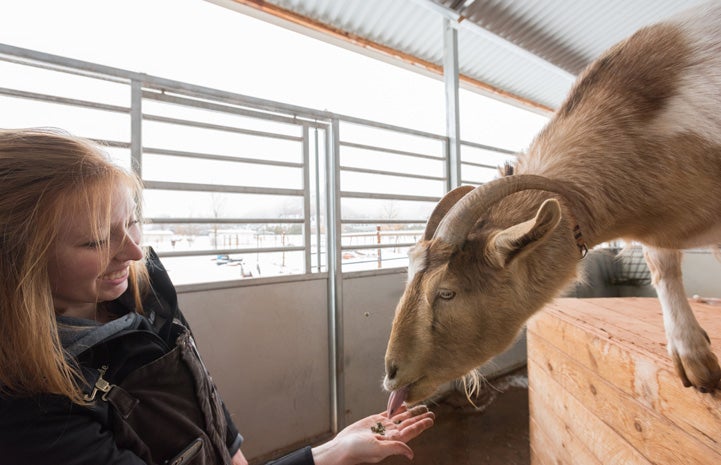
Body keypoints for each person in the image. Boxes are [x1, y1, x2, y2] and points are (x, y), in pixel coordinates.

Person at [0, 128, 434, 465]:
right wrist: (327, 456)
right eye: (95, 241)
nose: (133, 252)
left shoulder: (143, 288)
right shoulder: (29, 410)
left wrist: (331, 450)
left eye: (131, 221)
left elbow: (203, 399)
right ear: (18, 261)